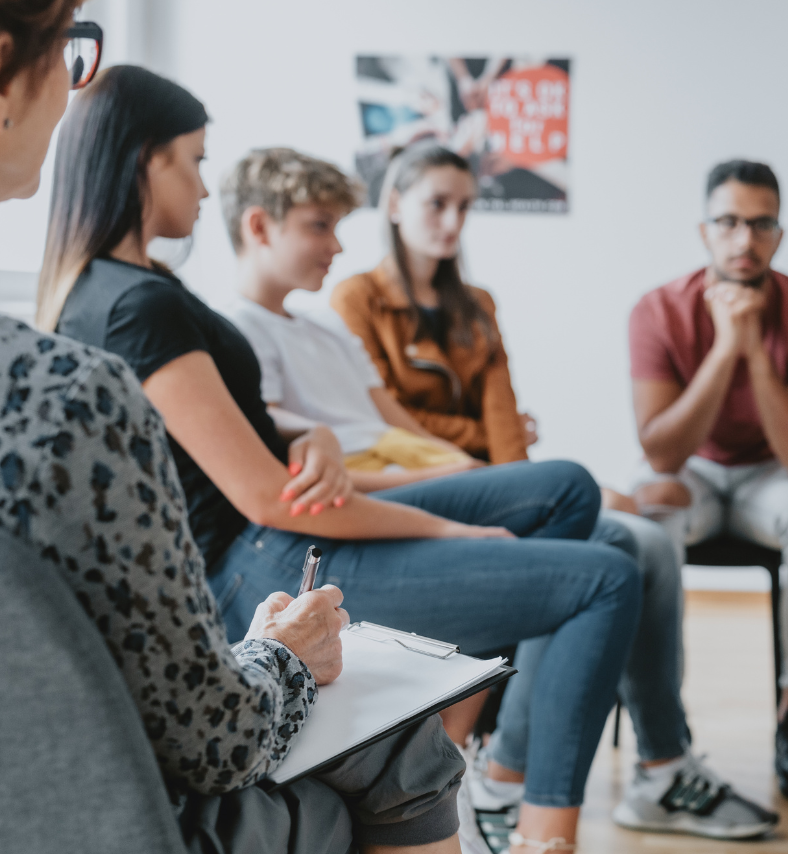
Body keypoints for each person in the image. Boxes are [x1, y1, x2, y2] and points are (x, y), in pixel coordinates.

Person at [41, 65, 642, 854]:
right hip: (259, 559)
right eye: (193, 159)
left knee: (566, 489)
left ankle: (489, 768)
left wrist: (311, 435)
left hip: (280, 528)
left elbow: (236, 421)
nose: (205, 183)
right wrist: (445, 532)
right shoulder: (131, 306)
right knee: (607, 576)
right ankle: (540, 829)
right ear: (145, 161)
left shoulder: (137, 287)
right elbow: (264, 499)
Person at [1, 9, 462, 853]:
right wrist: (284, 652)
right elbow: (213, 737)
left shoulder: (72, 354)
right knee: (406, 744)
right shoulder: (71, 394)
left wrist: (311, 439)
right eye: (69, 49)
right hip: (88, 812)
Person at [331, 141, 777, 841]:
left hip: (496, 485)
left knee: (649, 542)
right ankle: (505, 774)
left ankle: (660, 764)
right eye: (436, 204)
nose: (452, 222)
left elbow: (506, 420)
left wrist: (522, 479)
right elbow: (391, 426)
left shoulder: (477, 305)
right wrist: (495, 461)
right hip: (419, 491)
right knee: (607, 551)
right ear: (392, 205)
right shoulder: (355, 299)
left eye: (464, 207)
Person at [618, 158, 788, 802]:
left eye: (761, 223)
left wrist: (753, 350)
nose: (745, 240)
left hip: (770, 475)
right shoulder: (657, 310)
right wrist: (724, 349)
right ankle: (663, 728)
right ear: (704, 230)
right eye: (729, 222)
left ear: (779, 234)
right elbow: (661, 452)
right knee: (644, 519)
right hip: (688, 470)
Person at [222, 147, 481, 492]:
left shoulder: (329, 325)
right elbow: (286, 465)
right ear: (259, 227)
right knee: (565, 483)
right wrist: (438, 477)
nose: (337, 246)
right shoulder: (239, 331)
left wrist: (461, 462)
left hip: (406, 463)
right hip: (377, 484)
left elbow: (396, 421)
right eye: (319, 226)